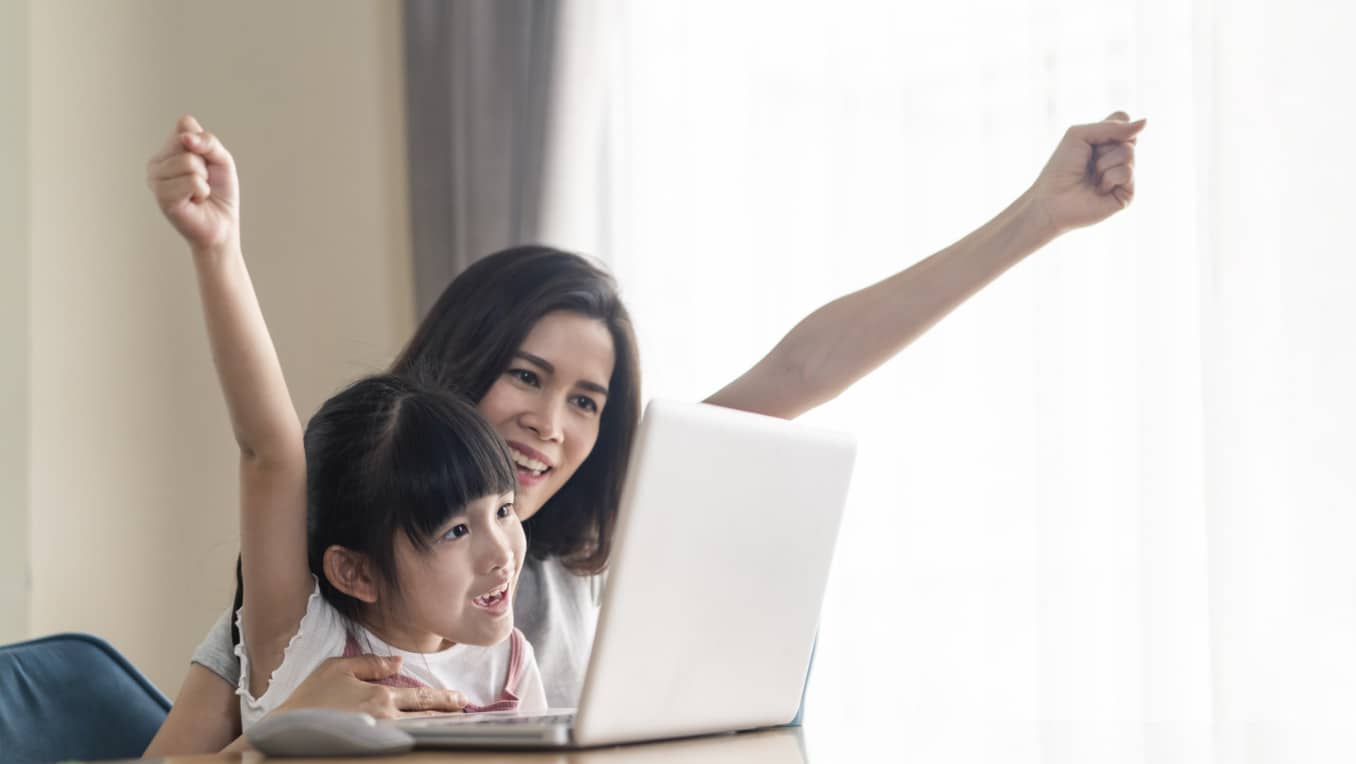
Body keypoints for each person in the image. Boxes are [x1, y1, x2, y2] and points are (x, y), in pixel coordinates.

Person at [142, 110, 1145, 754]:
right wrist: (284, 735)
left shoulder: (584, 541)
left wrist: (1034, 219)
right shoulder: (334, 585)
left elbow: (796, 373)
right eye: (526, 376)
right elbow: (269, 450)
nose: (552, 423)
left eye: (587, 400)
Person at [166, 131, 552, 731]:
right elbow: (269, 451)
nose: (500, 551)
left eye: (503, 510)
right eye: (454, 529)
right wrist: (218, 250)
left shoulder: (509, 662)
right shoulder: (306, 642)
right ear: (357, 571)